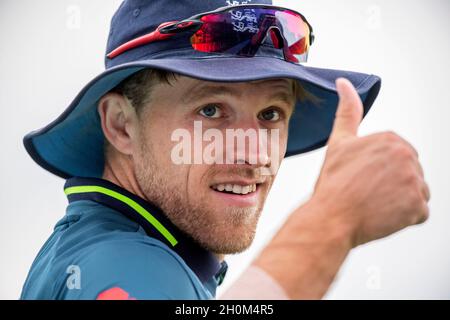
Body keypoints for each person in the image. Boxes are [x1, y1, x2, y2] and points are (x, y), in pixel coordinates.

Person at [21, 0, 429, 300]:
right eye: (211, 110)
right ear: (120, 125)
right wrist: (333, 222)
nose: (252, 154)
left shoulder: (104, 250)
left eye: (270, 113)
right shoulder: (122, 264)